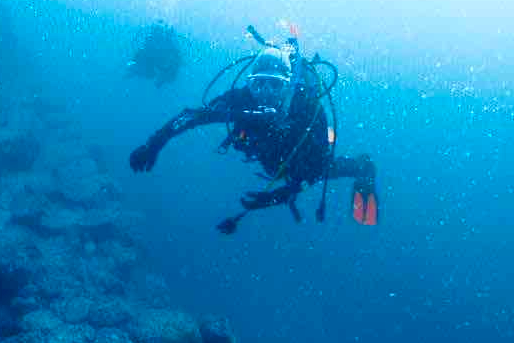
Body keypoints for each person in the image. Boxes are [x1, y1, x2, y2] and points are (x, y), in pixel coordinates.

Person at [128, 25, 379, 234]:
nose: (265, 95)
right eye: (259, 85)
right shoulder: (241, 99)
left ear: (287, 87)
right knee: (279, 165)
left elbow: (317, 167)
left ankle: (364, 167)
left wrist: (285, 193)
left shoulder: (306, 108)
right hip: (267, 154)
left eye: (274, 86)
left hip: (300, 159)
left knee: (320, 167)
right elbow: (191, 116)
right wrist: (155, 144)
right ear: (250, 84)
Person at [125, 21, 182, 88]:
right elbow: (141, 53)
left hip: (162, 62)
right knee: (150, 74)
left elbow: (177, 59)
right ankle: (160, 77)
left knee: (166, 75)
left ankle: (162, 77)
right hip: (153, 61)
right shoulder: (150, 40)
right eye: (156, 32)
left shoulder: (168, 42)